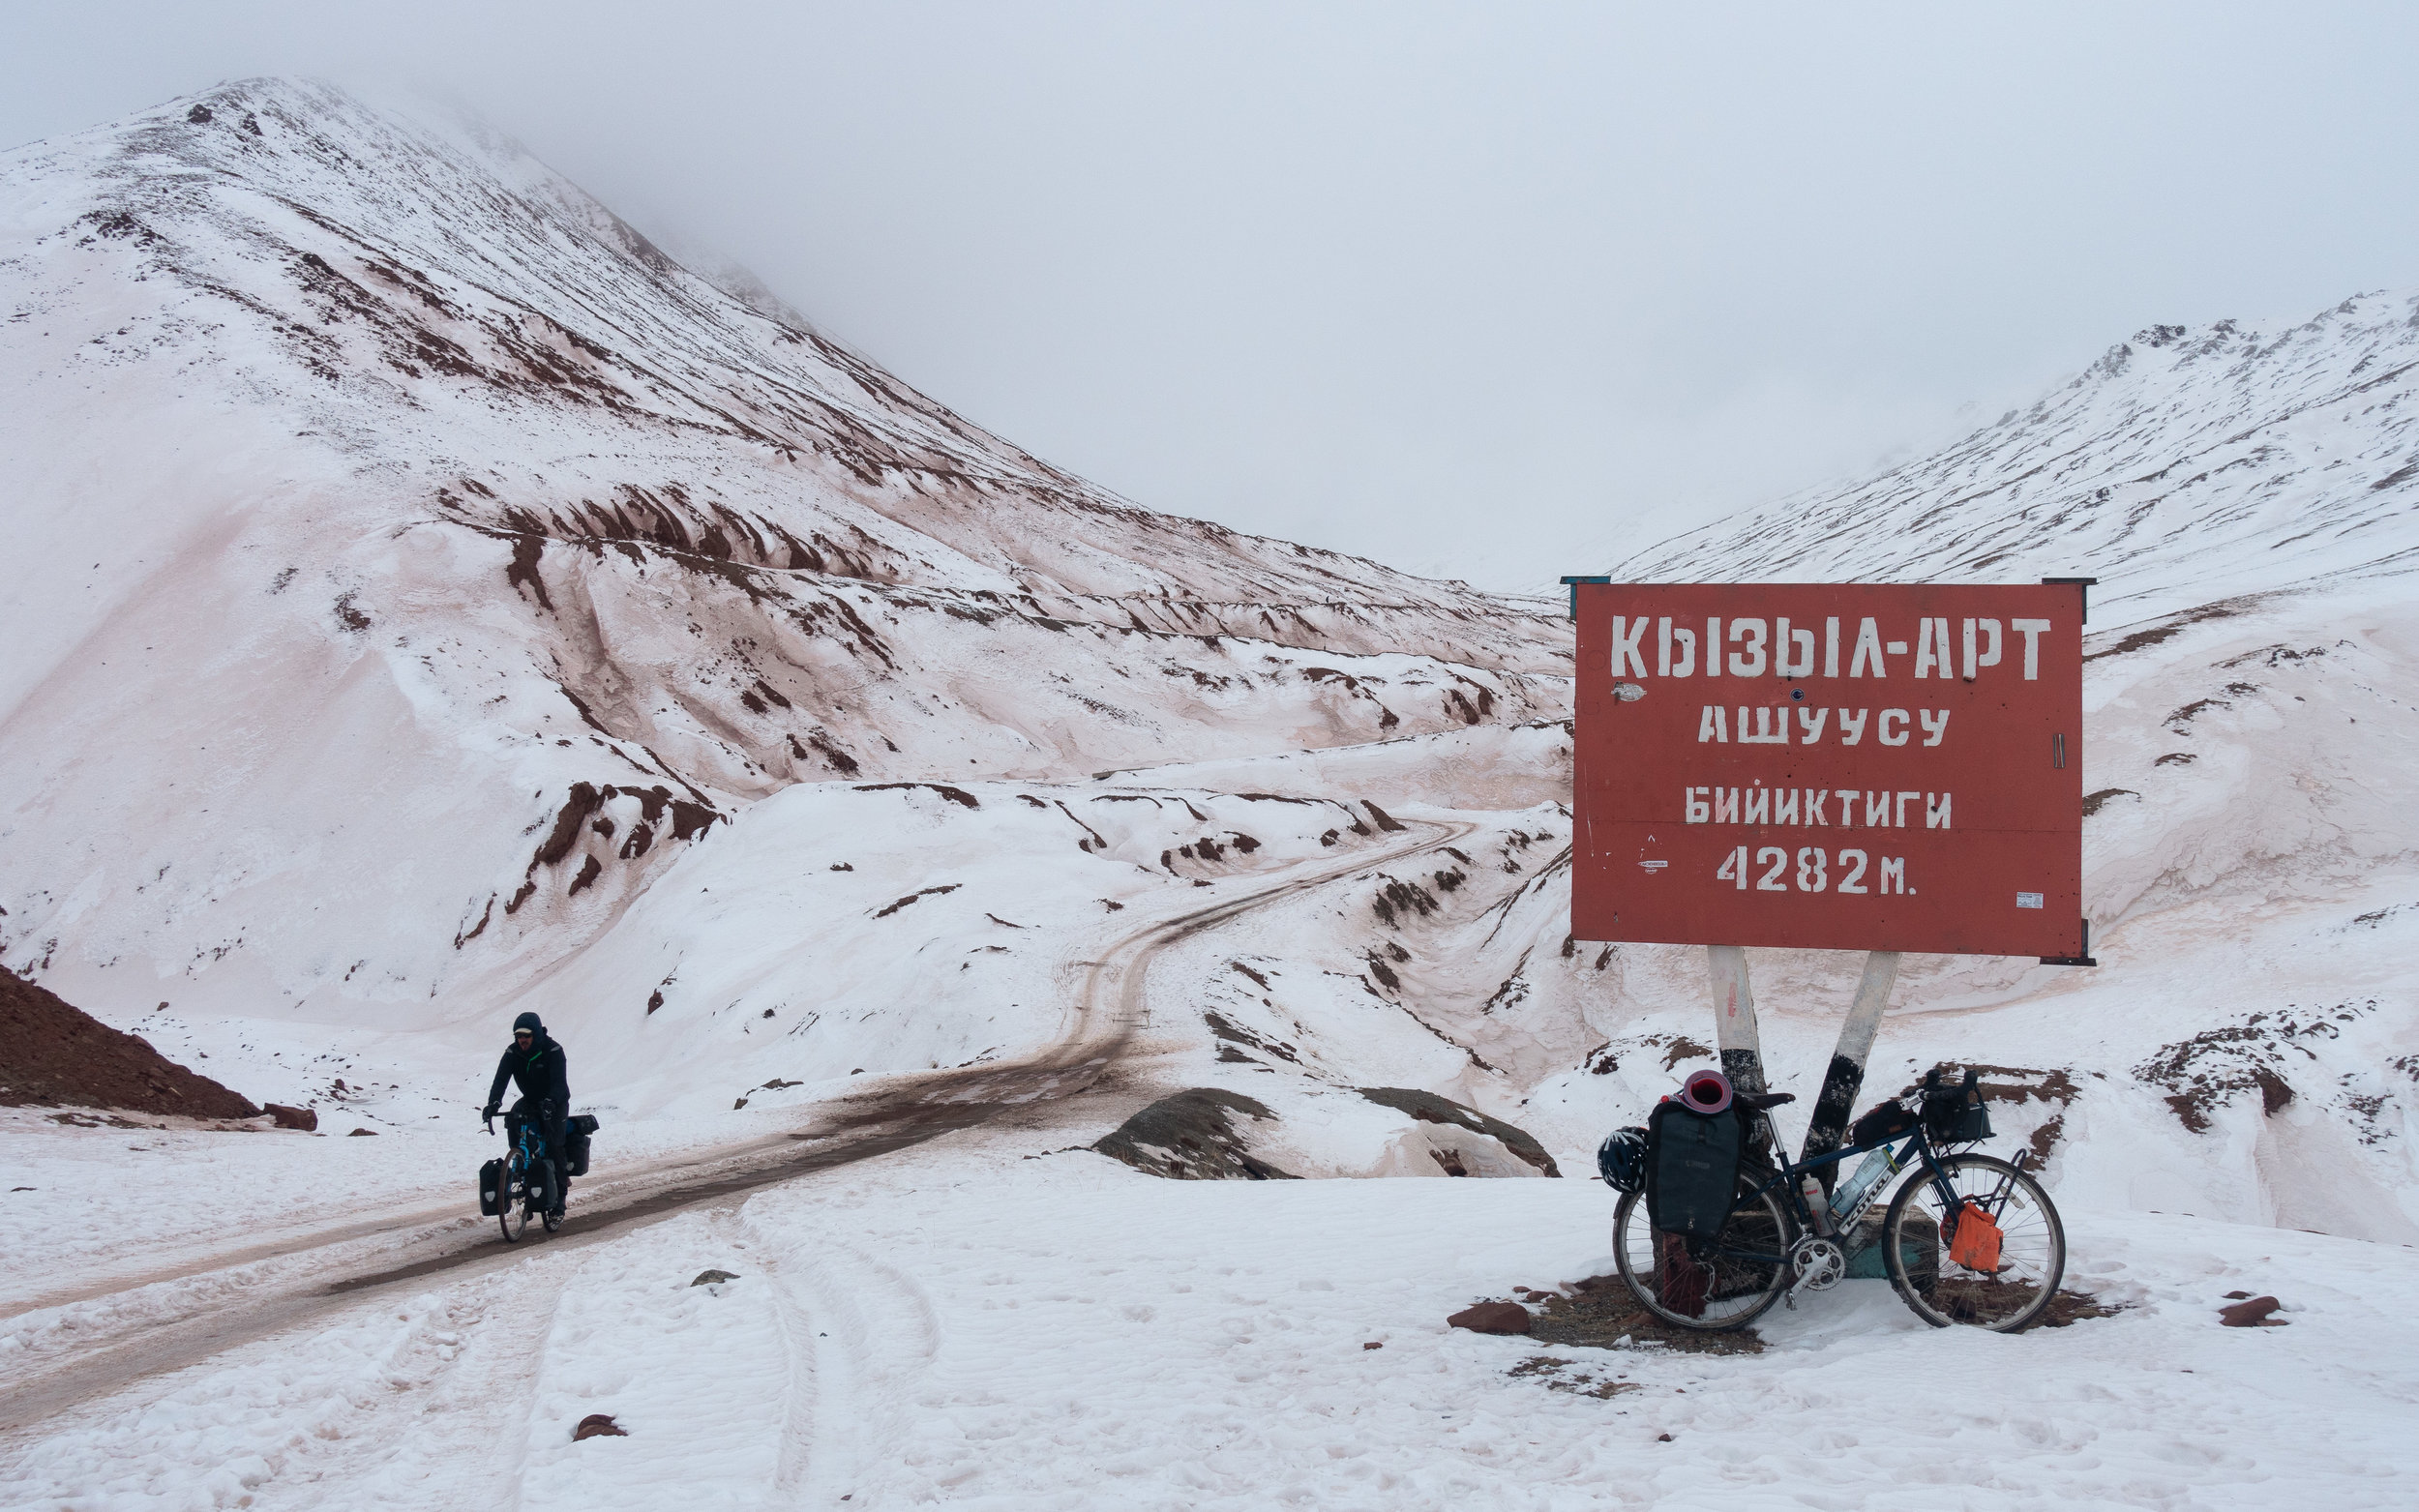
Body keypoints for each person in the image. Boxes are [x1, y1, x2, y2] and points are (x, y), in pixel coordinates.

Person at [483, 1011, 571, 1217]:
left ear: (536, 1035)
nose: (522, 1040)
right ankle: (521, 1168)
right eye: (519, 1036)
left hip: (555, 1101)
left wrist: (551, 1102)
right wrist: (493, 1104)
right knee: (513, 1121)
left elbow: (560, 1084)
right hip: (530, 1100)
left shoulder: (553, 1050)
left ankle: (560, 1201)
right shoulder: (513, 1053)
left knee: (554, 1144)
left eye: (526, 1036)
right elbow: (500, 1080)